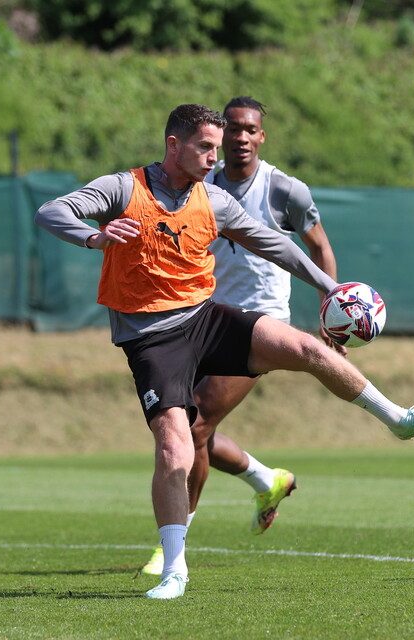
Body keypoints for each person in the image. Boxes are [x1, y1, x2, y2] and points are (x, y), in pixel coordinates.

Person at [35, 103, 414, 600]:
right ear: (173, 145)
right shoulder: (123, 188)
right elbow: (52, 211)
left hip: (206, 317)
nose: (213, 155)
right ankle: (175, 570)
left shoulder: (213, 200)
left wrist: (327, 286)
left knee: (307, 348)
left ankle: (399, 419)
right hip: (152, 337)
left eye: (217, 146)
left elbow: (270, 242)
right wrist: (95, 235)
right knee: (176, 443)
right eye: (205, 146)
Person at [139, 96, 342, 575]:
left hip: (261, 322)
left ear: (262, 136)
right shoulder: (201, 184)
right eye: (233, 129)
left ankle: (173, 546)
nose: (241, 138)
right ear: (219, 134)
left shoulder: (283, 190)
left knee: (194, 426)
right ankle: (267, 478)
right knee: (183, 428)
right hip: (202, 320)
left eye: (251, 130)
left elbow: (320, 248)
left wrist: (327, 310)